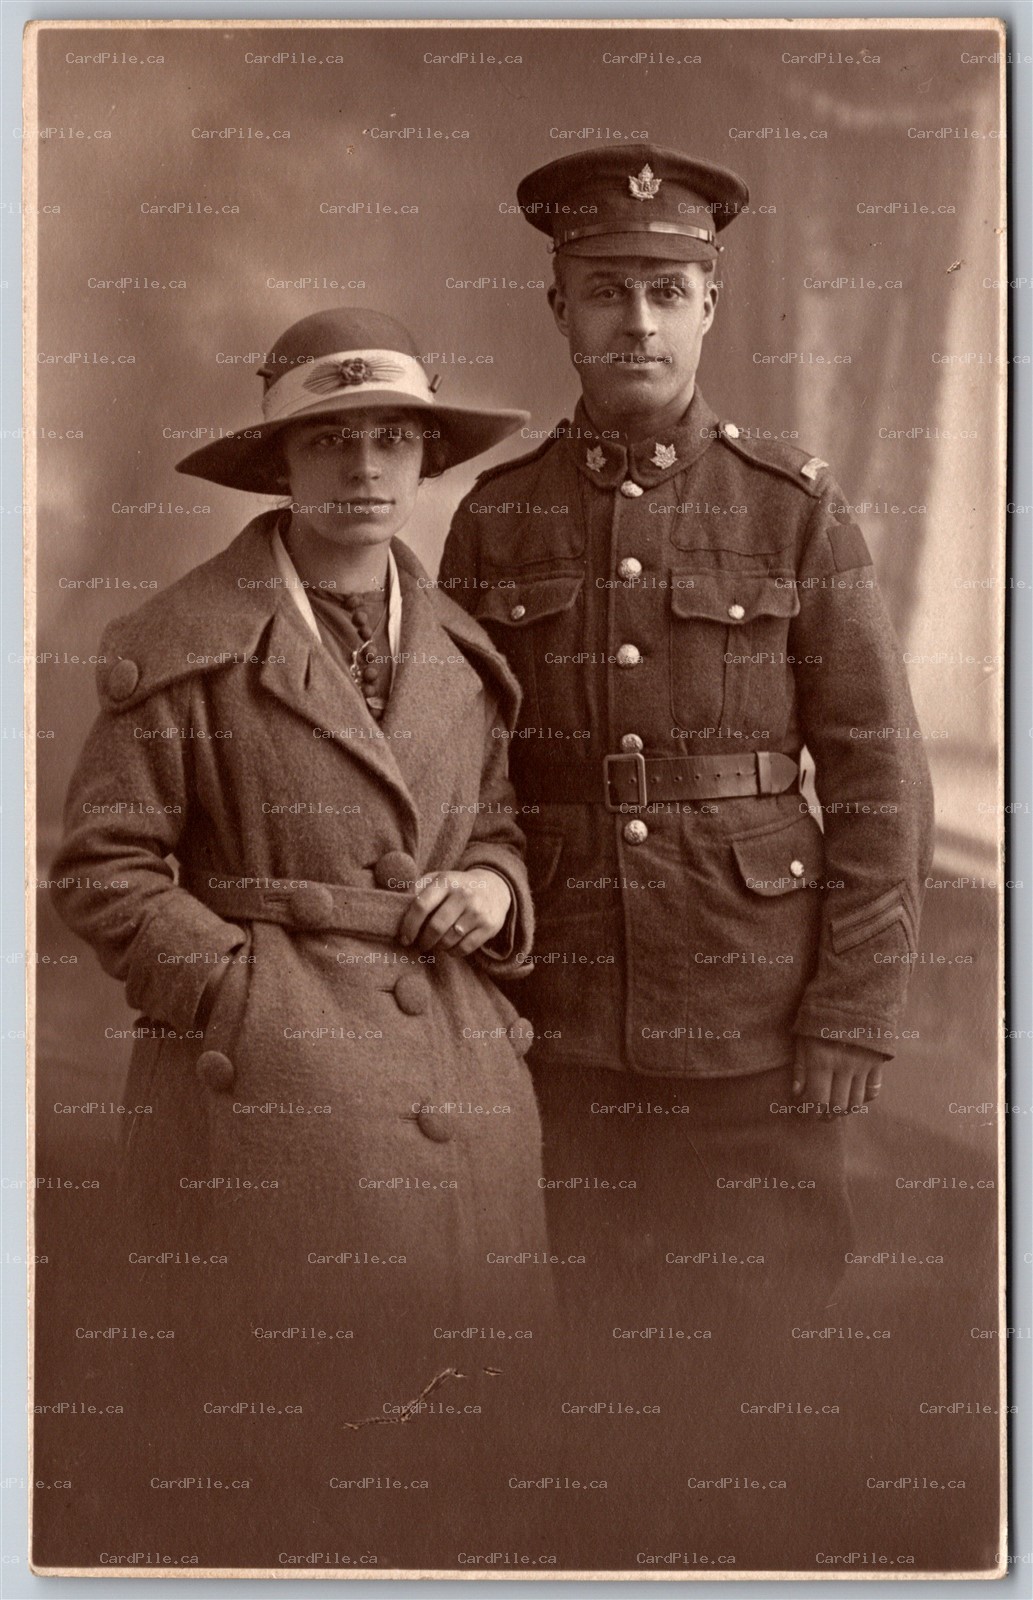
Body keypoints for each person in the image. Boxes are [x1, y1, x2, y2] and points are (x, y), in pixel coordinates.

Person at [439, 143, 935, 1332]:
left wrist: (852, 1011)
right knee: (585, 1332)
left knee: (755, 1343)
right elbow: (456, 780)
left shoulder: (790, 504)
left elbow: (878, 778)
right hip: (553, 1007)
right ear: (558, 307)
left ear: (710, 305)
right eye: (606, 289)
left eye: (667, 292)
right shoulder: (497, 515)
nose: (637, 321)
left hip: (753, 1007)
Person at [49, 308, 554, 1421]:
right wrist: (243, 998)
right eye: (330, 439)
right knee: (287, 1430)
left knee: (473, 1442)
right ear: (280, 460)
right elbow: (101, 868)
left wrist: (489, 887)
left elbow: (497, 829)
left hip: (463, 1093)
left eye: (392, 438)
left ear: (426, 458)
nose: (364, 467)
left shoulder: (467, 657)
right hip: (268, 1098)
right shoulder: (188, 643)